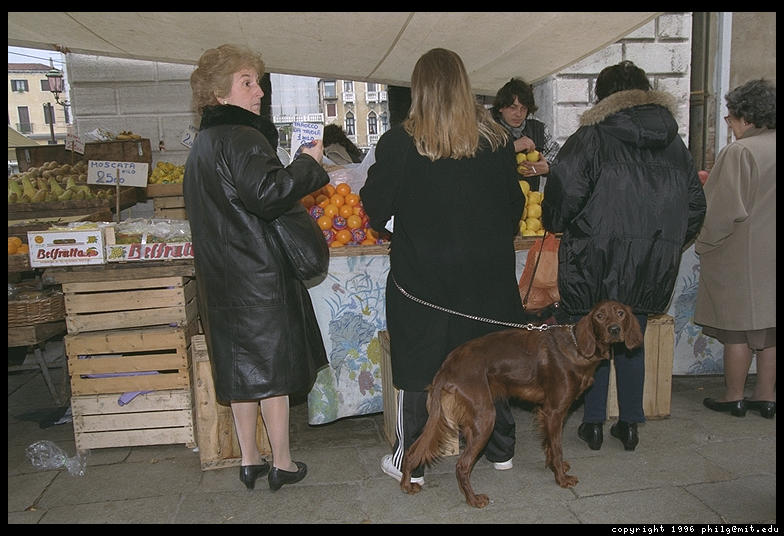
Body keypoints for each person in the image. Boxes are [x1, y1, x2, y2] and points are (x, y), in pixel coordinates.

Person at [360, 48, 527, 485]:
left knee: (419, 371)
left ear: (419, 91)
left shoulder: (399, 143)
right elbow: (515, 207)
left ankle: (410, 464)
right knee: (489, 364)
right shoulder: (497, 141)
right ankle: (501, 450)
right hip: (487, 279)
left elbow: (374, 207)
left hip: (423, 282)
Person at [184, 44, 330, 491]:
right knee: (272, 374)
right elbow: (267, 194)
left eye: (257, 82)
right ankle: (281, 462)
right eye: (246, 82)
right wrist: (307, 164)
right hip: (259, 276)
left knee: (242, 371)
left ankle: (249, 459)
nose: (259, 91)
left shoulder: (202, 144)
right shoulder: (243, 136)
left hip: (220, 278)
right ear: (219, 93)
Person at [542, 60, 706, 451]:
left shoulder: (591, 137)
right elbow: (696, 207)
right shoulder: (675, 145)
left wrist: (556, 221)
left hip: (592, 260)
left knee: (593, 338)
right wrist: (665, 244)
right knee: (632, 337)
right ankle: (630, 424)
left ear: (604, 96)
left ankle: (593, 424)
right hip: (650, 263)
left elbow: (563, 193)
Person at [696, 79, 776, 419]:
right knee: (770, 328)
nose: (729, 124)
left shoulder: (740, 152)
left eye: (730, 117)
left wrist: (702, 242)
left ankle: (734, 395)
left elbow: (722, 212)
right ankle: (766, 395)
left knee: (737, 330)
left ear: (747, 116)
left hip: (742, 253)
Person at [491, 77, 560, 192]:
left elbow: (560, 158)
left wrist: (548, 167)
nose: (518, 114)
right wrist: (510, 148)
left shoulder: (538, 128)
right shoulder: (486, 128)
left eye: (523, 108)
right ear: (501, 107)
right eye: (513, 107)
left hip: (530, 201)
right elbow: (476, 163)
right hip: (495, 200)